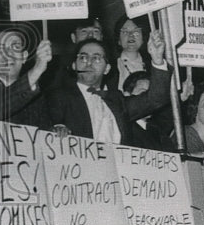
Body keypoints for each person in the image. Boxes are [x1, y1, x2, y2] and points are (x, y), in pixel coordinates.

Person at [27, 30, 171, 145]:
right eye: (83, 57)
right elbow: (42, 125)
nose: (89, 62)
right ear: (74, 66)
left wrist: (157, 59)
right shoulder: (57, 97)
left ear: (107, 69)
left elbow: (156, 99)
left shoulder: (117, 100)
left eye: (96, 58)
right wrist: (54, 130)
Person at [113, 14, 154, 89]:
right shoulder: (112, 67)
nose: (131, 35)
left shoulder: (153, 63)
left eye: (136, 31)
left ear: (143, 38)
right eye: (125, 32)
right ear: (118, 40)